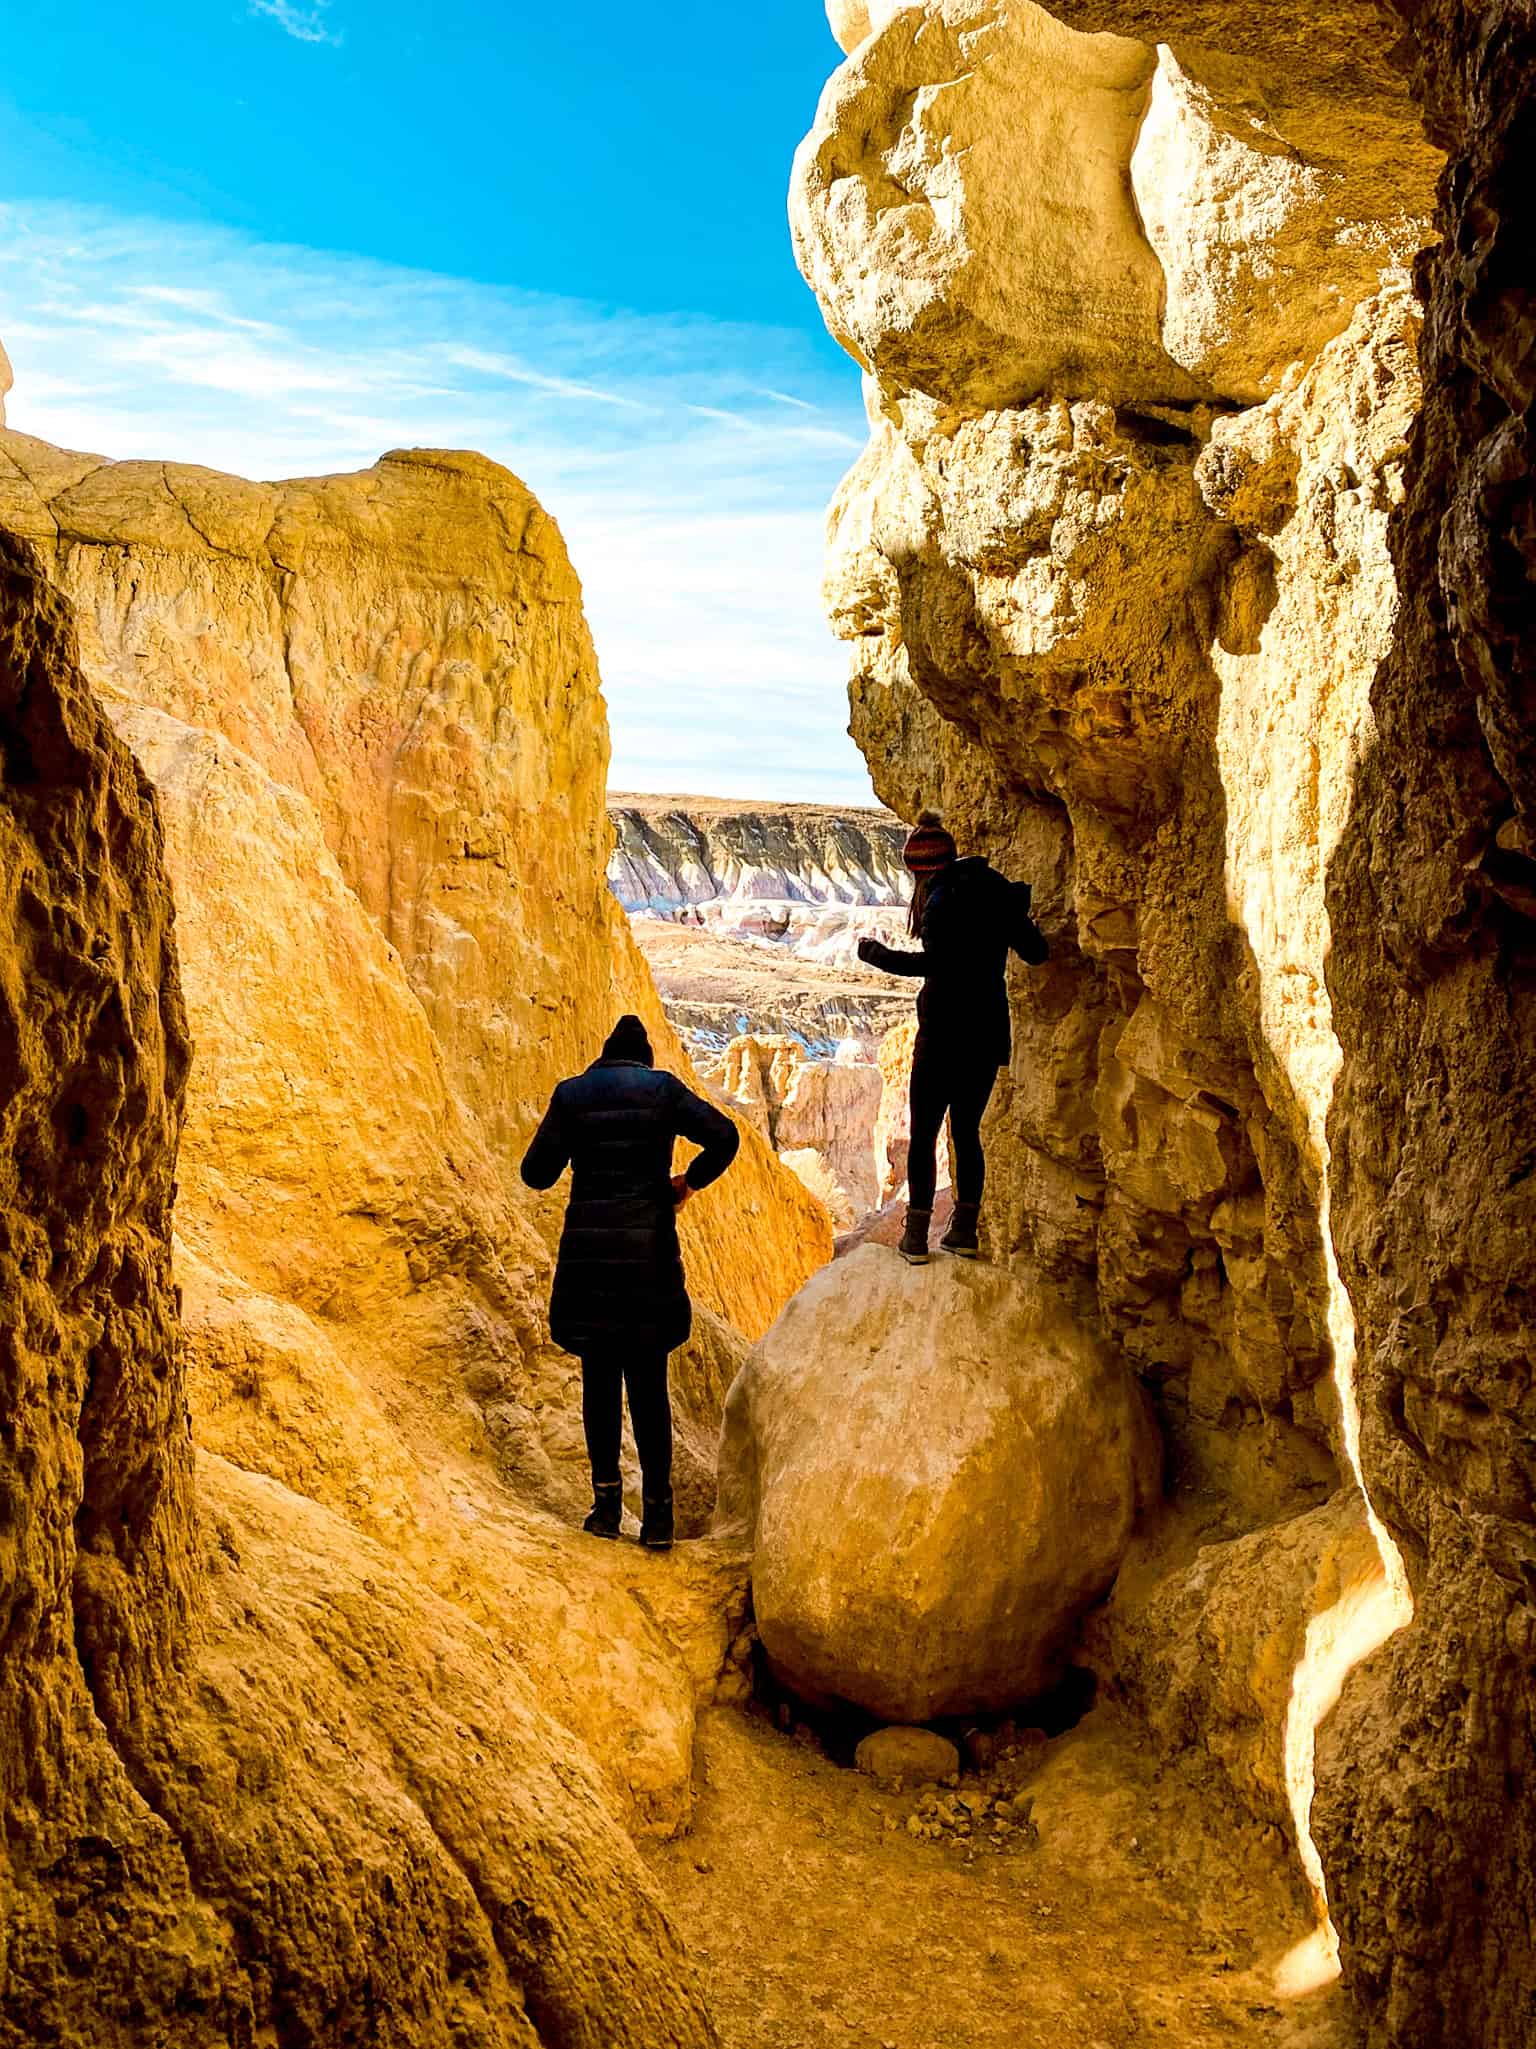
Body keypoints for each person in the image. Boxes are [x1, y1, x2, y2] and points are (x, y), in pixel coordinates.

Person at [520, 1013, 739, 1549]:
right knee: (648, 1385)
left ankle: (606, 1508)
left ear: (602, 1054)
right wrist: (686, 1181)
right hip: (649, 1257)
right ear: (644, 1060)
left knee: (598, 1381)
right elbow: (725, 1137)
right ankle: (659, 1519)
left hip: (590, 1257)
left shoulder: (573, 1095)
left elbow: (536, 1174)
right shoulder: (662, 1090)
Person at [857, 812, 1047, 1264]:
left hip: (944, 1033)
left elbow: (935, 965)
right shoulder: (996, 891)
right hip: (986, 1034)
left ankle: (917, 1237)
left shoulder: (941, 900)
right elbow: (1037, 954)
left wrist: (877, 955)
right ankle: (964, 1231)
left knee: (924, 1133)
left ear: (921, 872)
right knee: (966, 1132)